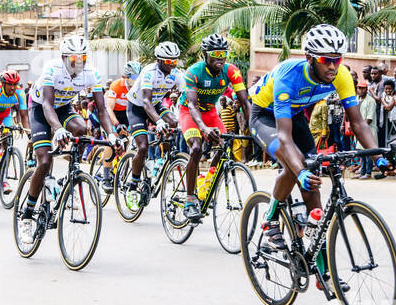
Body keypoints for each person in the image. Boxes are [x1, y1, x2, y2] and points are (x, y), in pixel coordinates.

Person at [247, 24, 395, 268]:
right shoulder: (287, 75)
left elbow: (357, 123)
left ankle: (323, 270)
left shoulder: (341, 76)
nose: (333, 66)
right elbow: (284, 138)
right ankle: (270, 218)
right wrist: (301, 171)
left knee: (312, 185)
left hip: (294, 116)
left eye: (338, 60)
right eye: (327, 60)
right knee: (295, 166)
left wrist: (378, 156)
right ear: (309, 58)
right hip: (265, 116)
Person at [18, 35, 118, 224]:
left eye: (83, 58)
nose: (79, 63)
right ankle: (27, 214)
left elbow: (102, 109)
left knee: (81, 129)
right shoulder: (52, 69)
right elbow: (47, 105)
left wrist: (111, 134)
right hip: (40, 108)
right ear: (64, 57)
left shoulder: (92, 73)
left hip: (63, 107)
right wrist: (57, 129)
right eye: (74, 58)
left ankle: (70, 178)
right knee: (45, 161)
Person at [177, 34, 252, 221]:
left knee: (225, 143)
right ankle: (189, 199)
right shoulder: (194, 71)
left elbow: (244, 101)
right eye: (216, 53)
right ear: (205, 54)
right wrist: (203, 128)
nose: (221, 57)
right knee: (195, 147)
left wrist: (254, 129)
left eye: (224, 53)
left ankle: (208, 180)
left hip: (210, 111)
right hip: (189, 111)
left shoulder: (232, 71)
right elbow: (192, 105)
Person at [123, 41, 185, 196]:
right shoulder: (149, 71)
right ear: (159, 60)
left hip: (155, 104)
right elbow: (145, 101)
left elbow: (186, 97)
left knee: (174, 123)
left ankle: (162, 161)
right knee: (143, 147)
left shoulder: (176, 74)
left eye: (175, 61)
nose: (173, 65)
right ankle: (134, 183)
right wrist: (158, 122)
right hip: (137, 106)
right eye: (169, 61)